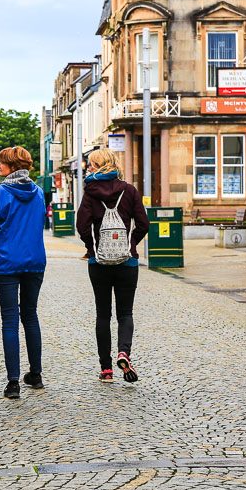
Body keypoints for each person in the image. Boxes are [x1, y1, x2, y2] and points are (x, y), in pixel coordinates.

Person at [76, 148, 149, 383]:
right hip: (127, 261)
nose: (88, 168)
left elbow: (82, 226)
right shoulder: (129, 190)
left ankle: (106, 370)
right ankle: (123, 352)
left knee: (103, 314)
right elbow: (144, 223)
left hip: (99, 263)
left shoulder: (90, 192)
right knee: (125, 312)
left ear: (97, 166)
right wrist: (132, 243)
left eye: (90, 165)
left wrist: (92, 247)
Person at [0, 146, 46, 399]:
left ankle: (13, 382)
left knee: (9, 319)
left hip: (7, 262)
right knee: (30, 315)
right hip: (34, 260)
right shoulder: (39, 193)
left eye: (1, 163)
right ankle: (36, 374)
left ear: (11, 166)